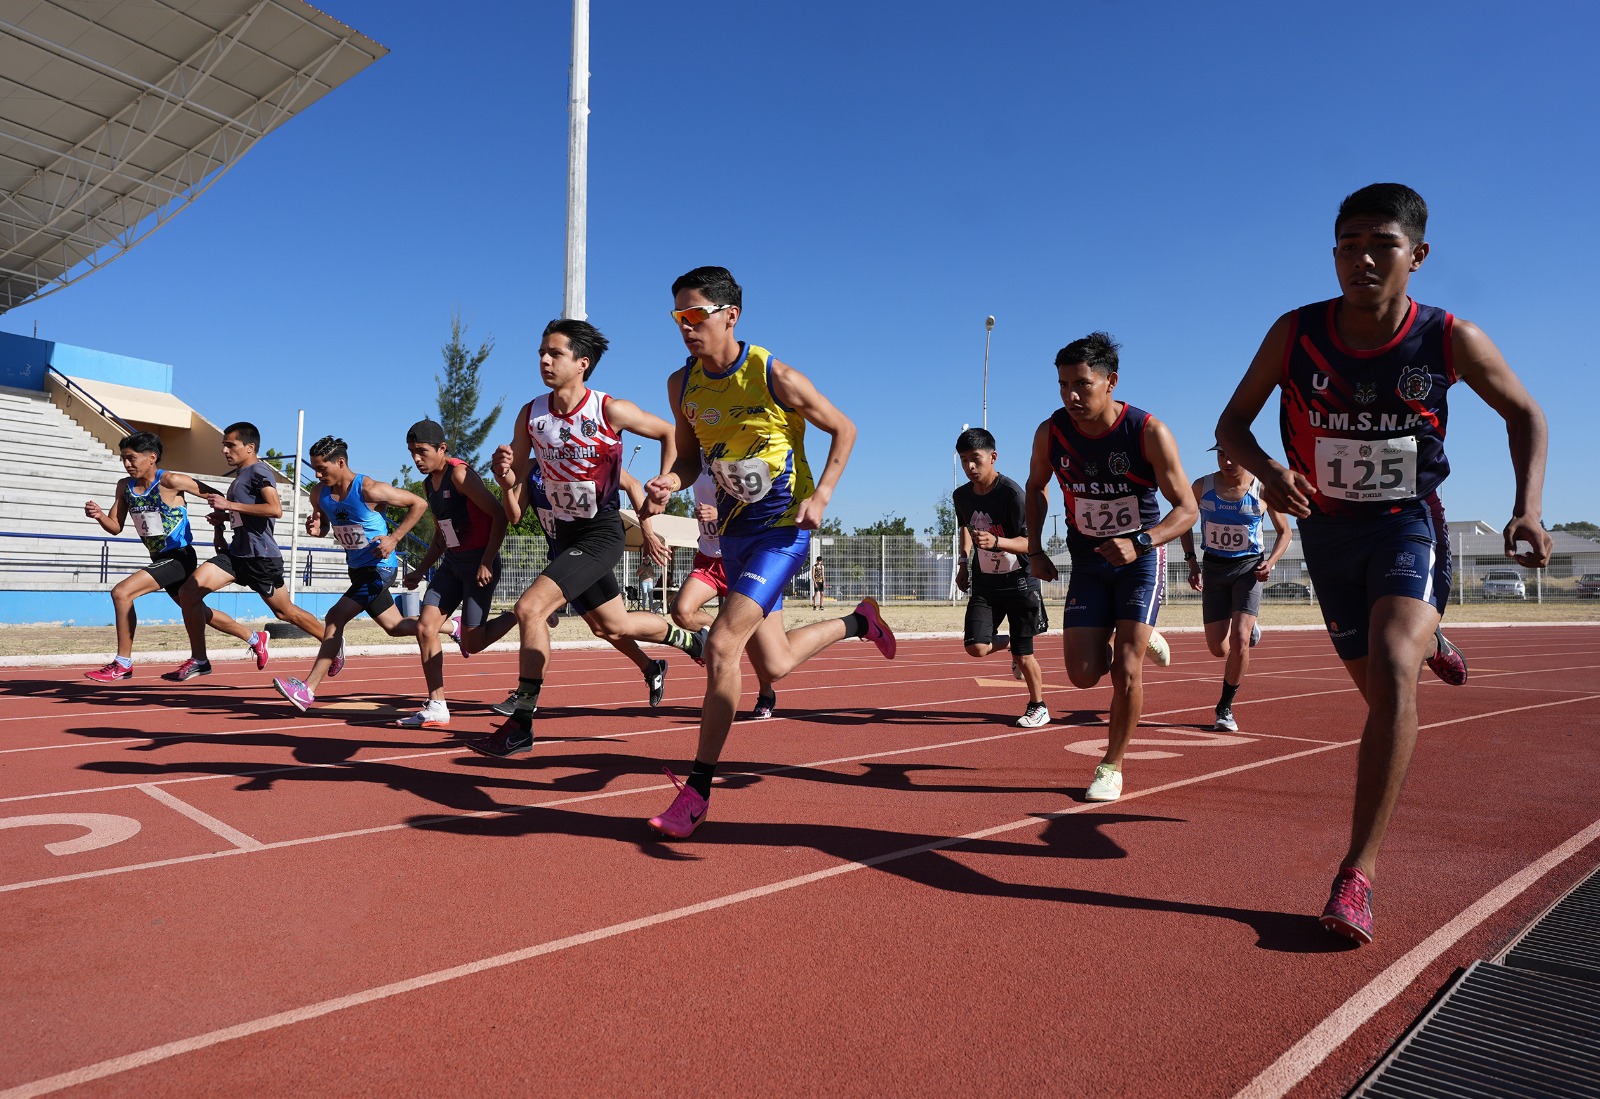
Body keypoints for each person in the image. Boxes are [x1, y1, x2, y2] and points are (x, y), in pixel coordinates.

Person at [1215, 182, 1551, 945]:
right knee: (1381, 696)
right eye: (1347, 245)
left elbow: (1525, 411)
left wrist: (1526, 507)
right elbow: (1230, 423)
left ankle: (1356, 873)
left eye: (1381, 245)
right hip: (1329, 536)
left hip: (1407, 522)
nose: (1361, 259)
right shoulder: (1296, 333)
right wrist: (1270, 472)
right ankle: (1430, 637)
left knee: (1394, 666)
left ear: (1418, 256)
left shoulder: (1448, 337)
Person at [641, 265, 896, 839]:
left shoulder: (774, 374)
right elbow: (687, 459)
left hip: (783, 531)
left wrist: (823, 494)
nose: (685, 327)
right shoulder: (681, 385)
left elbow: (844, 428)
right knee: (773, 663)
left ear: (730, 315)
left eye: (695, 315)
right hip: (733, 535)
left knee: (723, 642)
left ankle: (697, 791)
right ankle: (860, 621)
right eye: (677, 317)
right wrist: (668, 483)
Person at [473, 318, 705, 758]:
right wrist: (504, 478)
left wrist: (667, 482)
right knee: (609, 625)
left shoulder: (608, 410)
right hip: (562, 537)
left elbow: (669, 432)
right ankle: (689, 642)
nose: (543, 359)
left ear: (582, 364)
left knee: (530, 608)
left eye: (554, 353)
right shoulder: (531, 414)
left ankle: (521, 723)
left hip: (600, 533)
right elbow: (517, 504)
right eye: (541, 351)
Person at [1025, 332, 1197, 803]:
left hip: (1140, 560)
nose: (1070, 396)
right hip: (1087, 561)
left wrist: (1140, 541)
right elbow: (1037, 486)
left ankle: (1111, 765)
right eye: (1062, 385)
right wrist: (1036, 548)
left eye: (1081, 384)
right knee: (1081, 675)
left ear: (1111, 382)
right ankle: (1137, 633)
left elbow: (1186, 510)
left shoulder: (1148, 432)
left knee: (1126, 668)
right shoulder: (1052, 432)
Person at [483, 462, 689, 719]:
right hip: (564, 555)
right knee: (607, 627)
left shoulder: (582, 455)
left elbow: (634, 484)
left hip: (591, 549)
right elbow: (514, 517)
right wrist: (505, 487)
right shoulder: (532, 468)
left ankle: (524, 699)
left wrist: (648, 533)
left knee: (531, 609)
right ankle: (655, 664)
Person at [81, 431, 257, 682]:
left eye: (132, 458)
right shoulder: (125, 486)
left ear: (151, 457)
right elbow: (115, 526)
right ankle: (254, 638)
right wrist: (99, 515)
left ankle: (123, 663)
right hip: (158, 558)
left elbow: (216, 496)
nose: (127, 464)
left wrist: (224, 519)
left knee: (122, 592)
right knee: (197, 610)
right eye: (124, 459)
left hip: (180, 556)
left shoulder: (172, 480)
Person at [271, 436, 428, 712]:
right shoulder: (319, 493)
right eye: (316, 470)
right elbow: (325, 527)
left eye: (323, 469)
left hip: (381, 567)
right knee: (394, 627)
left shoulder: (368, 488)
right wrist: (316, 528)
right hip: (357, 568)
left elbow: (419, 504)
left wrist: (394, 538)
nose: (318, 475)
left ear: (340, 462)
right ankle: (453, 626)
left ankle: (307, 689)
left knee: (335, 616)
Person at [392, 419, 518, 728]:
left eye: (422, 451)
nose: (416, 459)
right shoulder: (427, 486)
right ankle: (437, 704)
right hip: (452, 563)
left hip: (478, 563)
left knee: (472, 645)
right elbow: (440, 534)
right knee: (425, 627)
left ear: (442, 448)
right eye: (411, 453)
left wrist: (487, 560)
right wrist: (421, 569)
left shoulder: (460, 475)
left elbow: (499, 517)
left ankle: (521, 613)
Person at [176, 421, 324, 667]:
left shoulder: (259, 472)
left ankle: (331, 640)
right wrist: (223, 519)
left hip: (260, 556)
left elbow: (275, 509)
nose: (224, 450)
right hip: (237, 554)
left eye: (230, 445)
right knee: (188, 592)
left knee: (284, 612)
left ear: (249, 447)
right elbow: (246, 516)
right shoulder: (241, 476)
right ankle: (201, 659)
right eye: (223, 445)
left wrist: (230, 506)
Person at [1177, 443, 1291, 732]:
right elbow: (1184, 522)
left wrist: (1271, 563)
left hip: (1248, 568)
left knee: (1239, 640)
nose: (1227, 461)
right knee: (1218, 649)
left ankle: (1224, 708)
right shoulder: (1201, 486)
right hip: (1214, 568)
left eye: (1234, 455)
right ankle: (1250, 629)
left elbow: (1285, 531)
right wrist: (1192, 563)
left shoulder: (1263, 489)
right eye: (1221, 454)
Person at [952, 428, 1049, 728]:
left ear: (993, 457)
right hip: (986, 585)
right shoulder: (961, 495)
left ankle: (1038, 705)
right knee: (976, 647)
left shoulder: (1012, 494)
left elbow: (1031, 544)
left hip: (1019, 582)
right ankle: (1007, 644)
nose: (970, 467)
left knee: (1025, 654)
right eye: (964, 460)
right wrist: (964, 562)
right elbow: (966, 528)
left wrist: (996, 542)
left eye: (975, 459)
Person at [672, 469, 778, 719]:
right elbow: (675, 467)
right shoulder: (693, 458)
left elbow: (763, 505)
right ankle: (717, 629)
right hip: (710, 558)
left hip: (742, 558)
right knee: (681, 611)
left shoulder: (737, 456)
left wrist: (720, 515)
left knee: (751, 635)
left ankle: (766, 692)